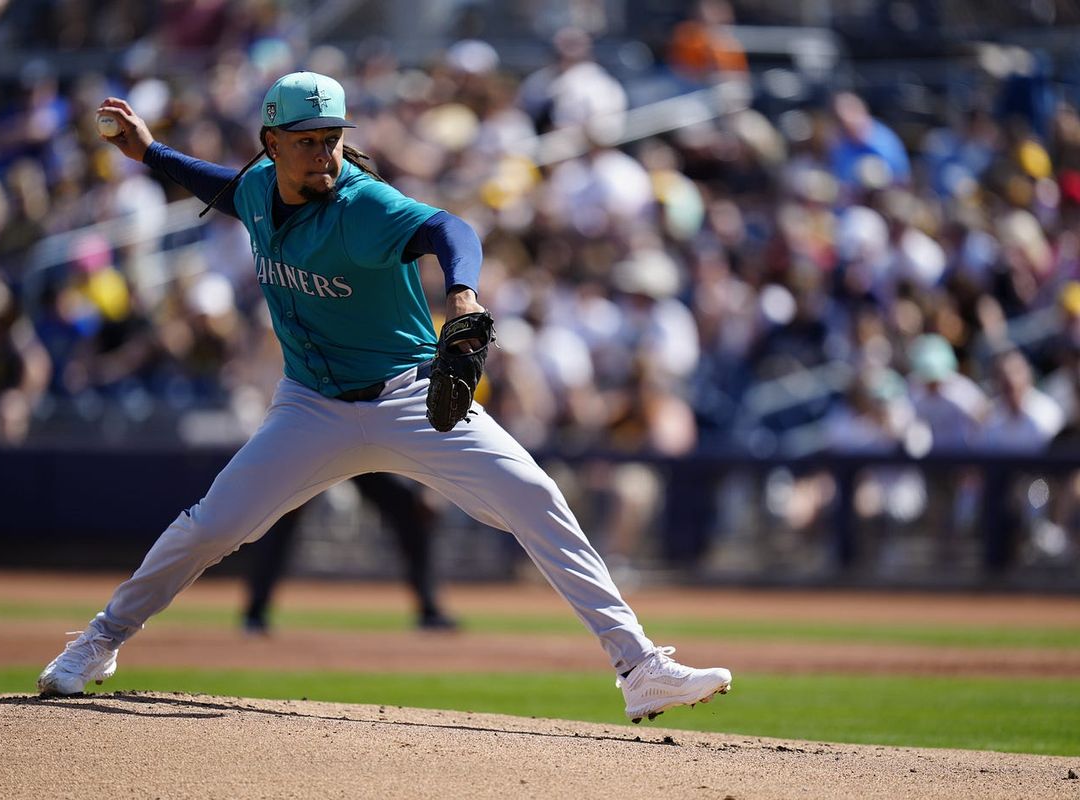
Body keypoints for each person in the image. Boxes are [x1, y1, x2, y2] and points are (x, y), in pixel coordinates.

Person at [36, 71, 731, 722]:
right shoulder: (256, 189)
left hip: (408, 396)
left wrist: (460, 290)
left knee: (534, 496)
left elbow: (450, 229)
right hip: (309, 406)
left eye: (331, 138)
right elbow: (224, 189)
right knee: (213, 526)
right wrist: (151, 152)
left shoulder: (363, 205)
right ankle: (99, 640)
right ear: (271, 145)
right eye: (306, 141)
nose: (322, 153)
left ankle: (638, 666)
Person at [241, 473, 457, 633]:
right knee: (283, 513)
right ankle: (255, 612)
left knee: (410, 511)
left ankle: (430, 610)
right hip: (319, 441)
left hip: (363, 446)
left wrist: (427, 487)